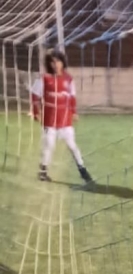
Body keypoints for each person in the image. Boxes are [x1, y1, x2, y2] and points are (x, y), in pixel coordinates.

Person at [31, 49, 93, 184]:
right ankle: (43, 172)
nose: (55, 65)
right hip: (49, 120)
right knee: (49, 145)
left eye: (58, 61)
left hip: (65, 121)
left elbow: (72, 97)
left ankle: (83, 170)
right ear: (49, 64)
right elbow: (34, 95)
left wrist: (74, 112)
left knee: (72, 146)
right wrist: (35, 112)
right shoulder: (44, 78)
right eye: (52, 62)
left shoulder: (68, 79)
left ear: (63, 62)